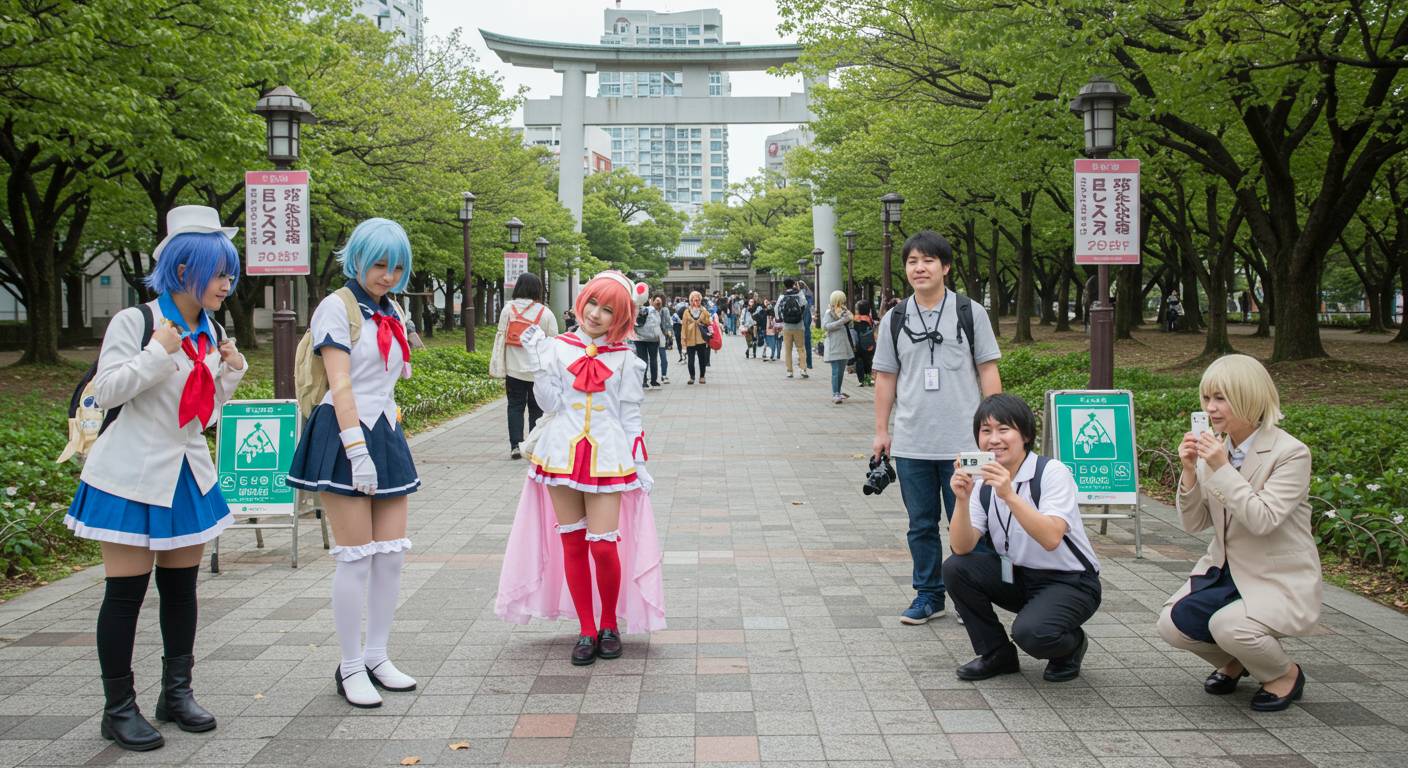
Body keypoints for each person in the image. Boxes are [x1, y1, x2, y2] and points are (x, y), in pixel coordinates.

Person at [62, 206, 246, 751]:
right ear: (184, 270)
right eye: (218, 273)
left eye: (230, 274)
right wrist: (156, 352)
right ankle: (118, 709)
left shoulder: (211, 329)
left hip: (186, 473)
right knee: (125, 595)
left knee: (181, 591)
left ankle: (177, 694)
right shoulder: (136, 322)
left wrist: (231, 373)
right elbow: (105, 392)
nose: (227, 284)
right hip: (132, 475)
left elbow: (200, 414)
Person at [496, 271, 665, 665]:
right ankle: (587, 629)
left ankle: (609, 624)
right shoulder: (557, 348)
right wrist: (539, 365)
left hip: (608, 457)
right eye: (592, 303)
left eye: (608, 310)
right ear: (582, 301)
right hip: (561, 454)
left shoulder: (626, 358)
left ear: (621, 317)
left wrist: (640, 463)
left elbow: (630, 416)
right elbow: (550, 404)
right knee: (572, 544)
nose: (595, 314)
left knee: (604, 548)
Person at [286, 218, 420, 709]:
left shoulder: (391, 309)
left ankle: (377, 655)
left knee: (390, 556)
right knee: (356, 557)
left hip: (384, 429)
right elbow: (340, 383)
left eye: (397, 267)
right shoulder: (336, 307)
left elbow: (389, 378)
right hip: (345, 434)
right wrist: (356, 450)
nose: (388, 275)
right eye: (379, 264)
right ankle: (349, 666)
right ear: (358, 259)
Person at [1156, 354, 1318, 712]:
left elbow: (1263, 519)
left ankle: (1284, 674)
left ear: (1249, 397)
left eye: (1221, 398)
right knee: (1172, 625)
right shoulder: (1216, 449)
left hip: (1276, 575)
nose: (1210, 408)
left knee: (1229, 627)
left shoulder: (1290, 454)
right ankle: (1236, 661)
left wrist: (1221, 467)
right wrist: (1189, 471)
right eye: (1206, 398)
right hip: (1225, 570)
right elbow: (1193, 524)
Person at [872, 231, 1003, 625]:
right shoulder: (895, 319)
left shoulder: (970, 313)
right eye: (912, 261)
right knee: (921, 525)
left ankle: (971, 597)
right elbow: (885, 378)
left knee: (972, 522)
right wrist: (881, 431)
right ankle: (928, 595)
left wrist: (996, 430)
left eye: (928, 260)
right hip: (912, 441)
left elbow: (988, 369)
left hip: (966, 444)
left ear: (945, 267)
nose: (920, 268)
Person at [943, 394, 1102, 682]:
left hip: (1070, 582)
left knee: (1031, 634)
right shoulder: (981, 481)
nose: (994, 439)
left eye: (1004, 429)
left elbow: (1051, 538)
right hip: (1019, 575)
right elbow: (961, 546)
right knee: (956, 567)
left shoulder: (1051, 473)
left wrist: (1009, 495)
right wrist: (962, 501)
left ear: (1026, 435)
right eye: (986, 430)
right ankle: (997, 654)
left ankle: (1071, 645)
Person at [490, 273, 558, 459]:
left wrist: (499, 365)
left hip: (514, 370)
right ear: (538, 289)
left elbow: (500, 338)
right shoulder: (545, 313)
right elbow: (554, 341)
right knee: (537, 408)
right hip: (538, 371)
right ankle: (534, 445)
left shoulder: (508, 310)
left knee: (515, 406)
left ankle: (515, 445)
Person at [822, 291, 855, 404]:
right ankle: (835, 393)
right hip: (834, 344)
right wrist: (842, 321)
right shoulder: (829, 312)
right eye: (842, 300)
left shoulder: (843, 311)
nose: (843, 302)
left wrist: (849, 318)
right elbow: (826, 326)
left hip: (843, 344)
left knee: (841, 371)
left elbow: (850, 323)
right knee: (836, 371)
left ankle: (838, 391)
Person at [776, 278, 810, 378]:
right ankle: (803, 369)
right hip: (799, 325)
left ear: (785, 286)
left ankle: (789, 371)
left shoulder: (782, 296)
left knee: (788, 349)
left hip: (787, 326)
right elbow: (805, 304)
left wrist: (780, 319)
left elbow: (776, 308)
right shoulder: (798, 294)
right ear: (793, 284)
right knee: (801, 348)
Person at [681, 290, 713, 385]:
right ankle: (692, 377)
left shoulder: (704, 311)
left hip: (701, 339)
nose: (696, 302)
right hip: (690, 338)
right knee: (690, 360)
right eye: (694, 300)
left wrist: (706, 316)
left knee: (702, 359)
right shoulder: (686, 312)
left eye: (698, 300)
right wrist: (683, 340)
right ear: (690, 300)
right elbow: (684, 327)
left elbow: (708, 323)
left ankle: (702, 376)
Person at [633, 293, 663, 389]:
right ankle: (654, 381)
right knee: (653, 359)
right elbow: (658, 323)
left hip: (639, 339)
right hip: (653, 339)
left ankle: (644, 381)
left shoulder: (637, 309)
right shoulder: (654, 311)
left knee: (642, 360)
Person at [851, 299, 877, 386]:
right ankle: (868, 379)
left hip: (858, 345)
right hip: (869, 345)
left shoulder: (856, 319)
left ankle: (861, 380)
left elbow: (854, 332)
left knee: (859, 362)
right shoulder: (870, 319)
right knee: (868, 362)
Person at [651, 295, 671, 383]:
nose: (658, 302)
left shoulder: (664, 310)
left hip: (661, 335)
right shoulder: (650, 310)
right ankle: (652, 377)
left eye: (659, 301)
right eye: (656, 301)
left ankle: (664, 375)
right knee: (653, 358)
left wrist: (669, 332)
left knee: (663, 357)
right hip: (651, 337)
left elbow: (668, 322)